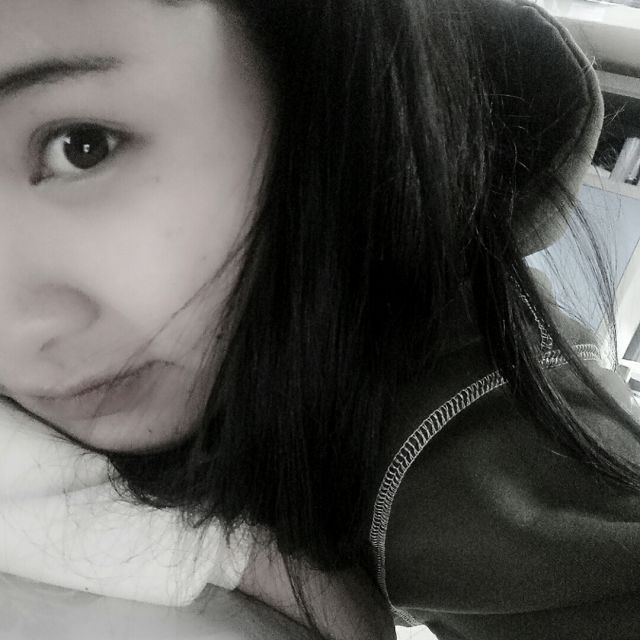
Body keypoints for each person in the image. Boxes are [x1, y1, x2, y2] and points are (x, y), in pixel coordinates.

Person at [1, 1, 640, 640]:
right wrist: (234, 557)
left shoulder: (456, 428)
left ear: (301, 59)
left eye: (82, 147)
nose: (18, 330)